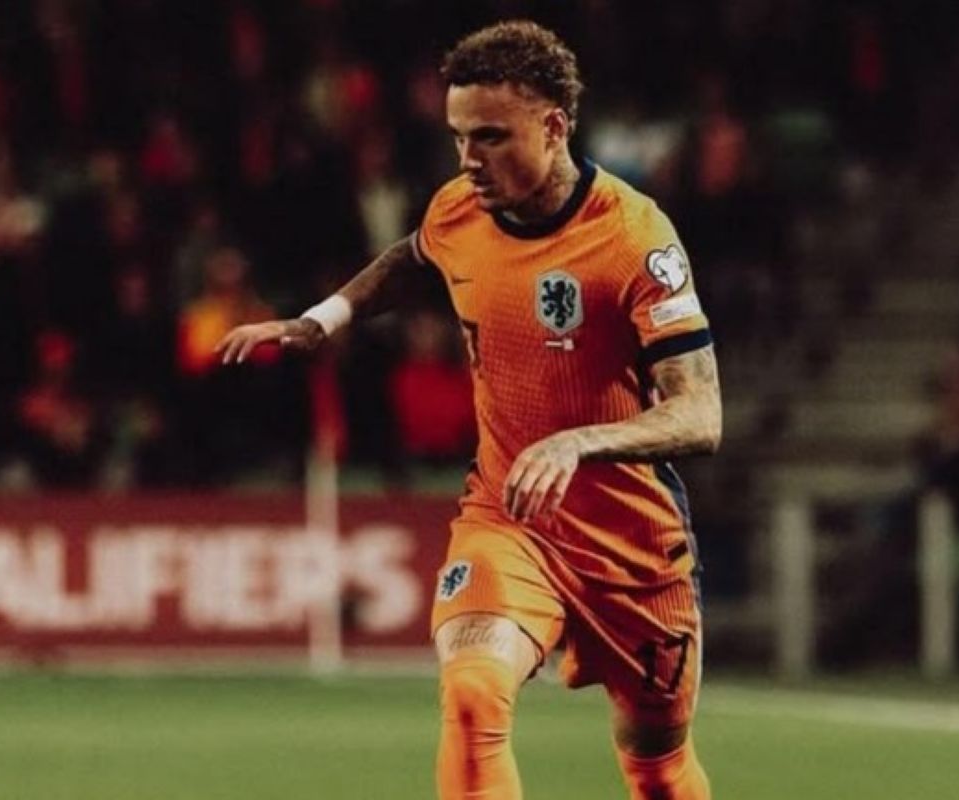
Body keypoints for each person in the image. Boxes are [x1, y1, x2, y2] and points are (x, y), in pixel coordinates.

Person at [217, 20, 720, 800]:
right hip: (509, 516)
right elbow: (413, 258)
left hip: (631, 544)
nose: (467, 160)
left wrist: (578, 443)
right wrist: (323, 319)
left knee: (655, 766)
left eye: (489, 136)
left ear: (553, 127)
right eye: (458, 137)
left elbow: (701, 416)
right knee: (472, 693)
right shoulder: (459, 209)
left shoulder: (633, 237)